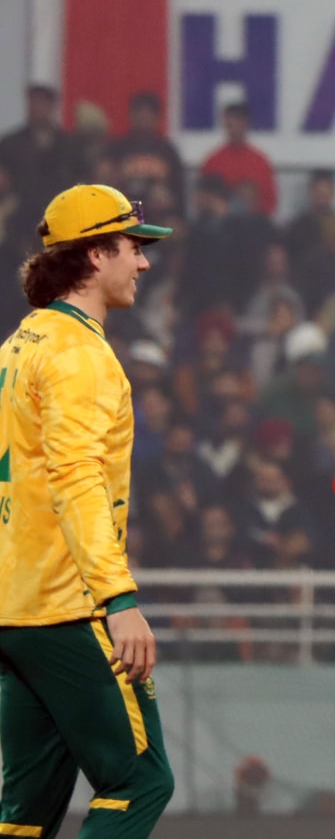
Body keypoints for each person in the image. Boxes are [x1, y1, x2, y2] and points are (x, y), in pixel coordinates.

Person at [0, 183, 175, 837]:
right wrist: (118, 598)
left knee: (26, 812)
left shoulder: (18, 347)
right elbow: (77, 480)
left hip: (14, 609)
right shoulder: (80, 355)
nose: (144, 262)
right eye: (133, 247)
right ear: (96, 255)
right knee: (140, 781)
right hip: (67, 607)